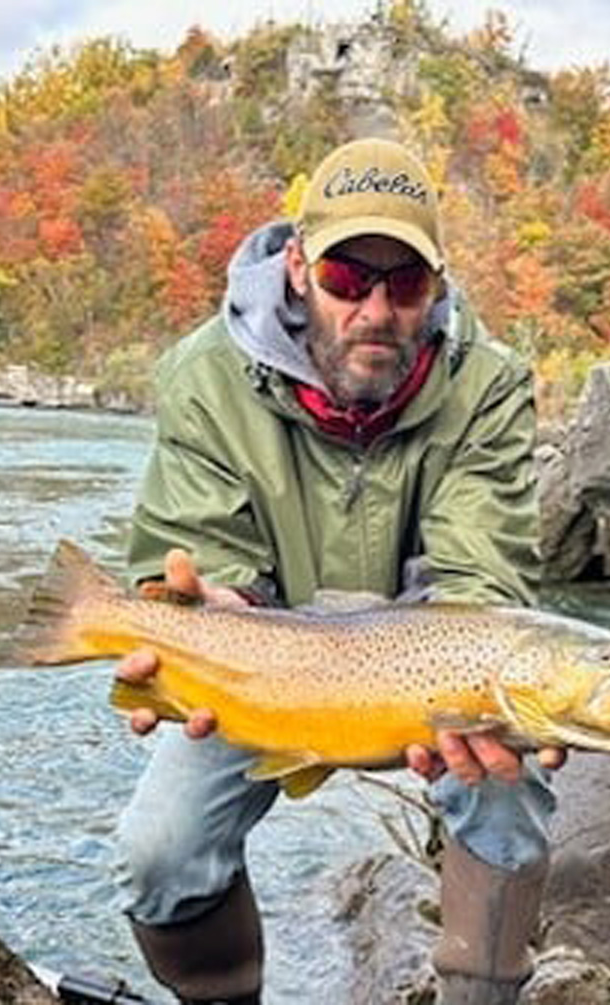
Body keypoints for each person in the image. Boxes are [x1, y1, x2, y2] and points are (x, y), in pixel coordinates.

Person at [114, 138, 563, 1005]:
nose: (377, 308)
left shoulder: (490, 386)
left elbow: (480, 586)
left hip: (430, 683)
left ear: (436, 285)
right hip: (265, 672)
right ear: (294, 267)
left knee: (509, 803)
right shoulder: (206, 377)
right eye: (349, 279)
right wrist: (201, 613)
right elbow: (203, 561)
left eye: (405, 284)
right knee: (159, 850)